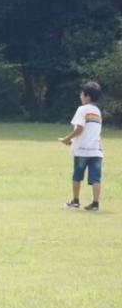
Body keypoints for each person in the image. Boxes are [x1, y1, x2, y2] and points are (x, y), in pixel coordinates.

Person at [62, 81, 104, 211]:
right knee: (95, 178)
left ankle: (75, 201)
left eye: (82, 93)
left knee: (77, 176)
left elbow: (80, 128)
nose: (80, 95)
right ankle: (95, 204)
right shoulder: (97, 112)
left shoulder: (82, 109)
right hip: (96, 150)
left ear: (87, 96)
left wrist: (67, 139)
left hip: (81, 150)